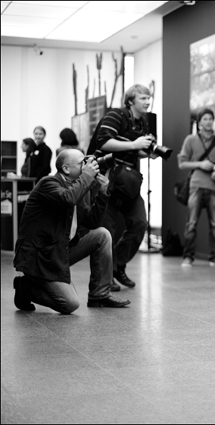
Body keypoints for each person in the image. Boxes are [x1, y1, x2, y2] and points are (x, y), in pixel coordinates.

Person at [12, 149, 131, 314]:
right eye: (82, 162)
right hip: (40, 257)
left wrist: (103, 193)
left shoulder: (77, 188)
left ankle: (100, 294)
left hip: (60, 252)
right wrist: (87, 177)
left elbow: (91, 221)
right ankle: (25, 287)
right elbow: (68, 198)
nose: (87, 165)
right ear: (66, 169)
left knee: (102, 235)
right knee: (70, 304)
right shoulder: (47, 184)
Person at [92, 84, 154, 289]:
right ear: (130, 101)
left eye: (148, 98)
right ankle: (105, 278)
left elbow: (135, 151)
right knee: (106, 231)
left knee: (139, 224)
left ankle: (117, 265)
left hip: (128, 181)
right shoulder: (116, 115)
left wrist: (149, 151)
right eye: (143, 98)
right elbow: (104, 142)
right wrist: (135, 145)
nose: (147, 101)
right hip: (107, 177)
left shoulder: (142, 122)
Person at [178, 108, 215, 267]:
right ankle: (188, 257)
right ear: (199, 122)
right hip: (196, 186)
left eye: (210, 119)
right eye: (205, 119)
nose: (208, 121)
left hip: (214, 187)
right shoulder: (190, 140)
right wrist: (200, 164)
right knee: (191, 223)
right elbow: (182, 163)